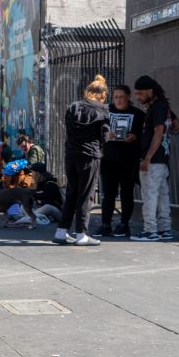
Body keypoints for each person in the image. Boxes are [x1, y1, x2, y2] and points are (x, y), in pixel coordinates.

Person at [52, 74, 110, 246]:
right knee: (86, 195)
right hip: (90, 155)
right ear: (102, 94)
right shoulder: (102, 109)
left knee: (71, 192)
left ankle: (61, 232)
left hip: (71, 154)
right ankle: (81, 234)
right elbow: (104, 137)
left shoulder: (73, 106)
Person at [94, 84, 146, 238]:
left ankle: (124, 224)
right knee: (108, 193)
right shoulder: (105, 111)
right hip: (108, 159)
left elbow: (144, 135)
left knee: (126, 193)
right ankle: (105, 224)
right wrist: (105, 135)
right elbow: (96, 130)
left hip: (128, 160)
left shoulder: (138, 114)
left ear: (128, 97)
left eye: (122, 96)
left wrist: (135, 137)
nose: (118, 100)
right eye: (116, 97)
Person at [131, 75, 174, 242]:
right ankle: (165, 229)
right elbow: (177, 125)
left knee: (149, 195)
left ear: (150, 91)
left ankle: (150, 230)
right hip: (163, 159)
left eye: (140, 93)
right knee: (162, 195)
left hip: (154, 160)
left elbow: (158, 132)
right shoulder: (164, 107)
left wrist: (147, 158)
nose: (138, 97)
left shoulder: (157, 108)